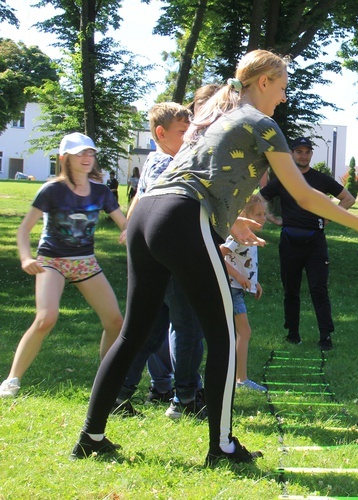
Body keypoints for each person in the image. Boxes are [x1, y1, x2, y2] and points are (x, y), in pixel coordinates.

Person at [70, 49, 358, 466]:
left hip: (148, 213)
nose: (284, 97)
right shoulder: (262, 123)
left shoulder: (215, 117)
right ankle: (222, 447)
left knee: (132, 334)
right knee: (222, 335)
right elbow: (303, 193)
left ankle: (90, 437)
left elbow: (206, 175)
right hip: (182, 215)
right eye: (282, 87)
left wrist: (232, 221)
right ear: (263, 83)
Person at [0, 133, 127, 398]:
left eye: (90, 153)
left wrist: (129, 232)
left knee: (115, 321)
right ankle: (12, 380)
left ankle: (104, 382)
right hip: (52, 262)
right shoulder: (51, 190)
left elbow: (125, 225)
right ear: (64, 159)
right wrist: (25, 258)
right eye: (80, 153)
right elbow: (24, 230)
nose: (86, 158)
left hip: (85, 263)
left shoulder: (102, 192)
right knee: (46, 318)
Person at [115, 102, 202, 417]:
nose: (190, 137)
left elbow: (140, 200)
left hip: (155, 259)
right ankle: (185, 400)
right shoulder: (168, 163)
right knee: (188, 326)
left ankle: (119, 394)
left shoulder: (154, 161)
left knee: (150, 331)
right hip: (173, 259)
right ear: (161, 133)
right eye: (183, 132)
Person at [260, 137, 355, 350]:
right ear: (292, 154)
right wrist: (270, 217)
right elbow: (259, 198)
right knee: (290, 290)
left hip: (315, 242)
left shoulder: (321, 179)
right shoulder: (284, 179)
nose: (303, 155)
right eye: (299, 152)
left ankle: (325, 337)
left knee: (318, 289)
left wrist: (329, 218)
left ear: (311, 154)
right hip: (289, 241)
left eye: (307, 152)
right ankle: (292, 334)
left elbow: (348, 199)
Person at [221, 194, 267, 392]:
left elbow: (245, 262)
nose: (262, 218)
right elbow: (218, 256)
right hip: (231, 289)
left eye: (264, 214)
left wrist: (254, 283)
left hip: (238, 289)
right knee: (244, 332)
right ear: (245, 216)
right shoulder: (237, 236)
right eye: (258, 214)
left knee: (237, 333)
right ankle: (242, 379)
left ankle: (237, 376)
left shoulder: (249, 235)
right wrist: (238, 277)